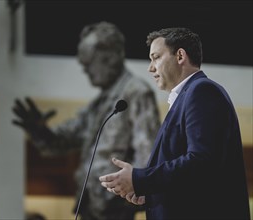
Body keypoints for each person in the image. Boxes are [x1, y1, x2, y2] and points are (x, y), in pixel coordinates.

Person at [12, 21, 160, 220]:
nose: (85, 70)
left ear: (110, 56)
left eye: (89, 62)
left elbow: (148, 155)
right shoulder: (98, 105)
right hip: (90, 207)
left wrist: (127, 199)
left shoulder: (136, 93)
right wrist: (41, 131)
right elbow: (63, 141)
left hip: (114, 209)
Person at [99, 27, 251, 219]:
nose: (150, 67)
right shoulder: (188, 96)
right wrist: (149, 191)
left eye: (156, 57)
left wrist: (140, 179)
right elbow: (194, 179)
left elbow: (201, 161)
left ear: (180, 56)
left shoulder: (202, 91)